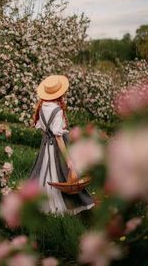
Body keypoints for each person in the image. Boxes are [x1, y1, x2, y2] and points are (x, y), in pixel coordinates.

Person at [29, 75, 95, 215]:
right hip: (58, 147)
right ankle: (60, 206)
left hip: (46, 146)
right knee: (61, 172)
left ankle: (43, 202)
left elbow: (43, 129)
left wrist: (48, 138)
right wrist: (68, 159)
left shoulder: (42, 108)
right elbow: (59, 138)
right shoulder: (57, 111)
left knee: (44, 172)